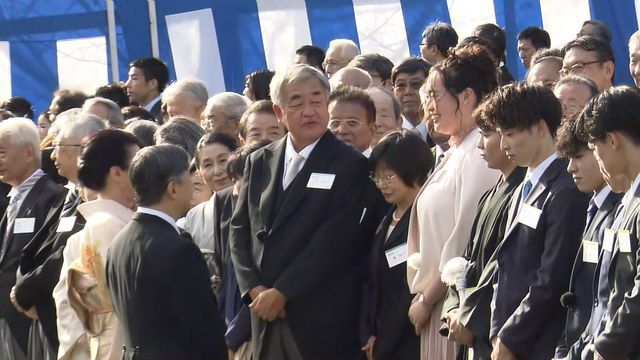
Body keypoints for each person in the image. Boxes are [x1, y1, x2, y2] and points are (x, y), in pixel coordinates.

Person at [230, 64, 373, 358]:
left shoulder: (349, 163)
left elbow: (335, 240)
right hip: (265, 314)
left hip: (319, 315)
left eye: (317, 101)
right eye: (297, 102)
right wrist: (254, 289)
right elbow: (239, 229)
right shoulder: (259, 160)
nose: (309, 111)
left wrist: (283, 291)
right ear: (279, 112)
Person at [407, 44, 501, 360]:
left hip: (455, 307)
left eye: (435, 95)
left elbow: (466, 238)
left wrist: (428, 299)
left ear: (466, 97)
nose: (428, 106)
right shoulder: (456, 150)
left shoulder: (478, 152)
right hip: (439, 306)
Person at [487, 83, 589, 360]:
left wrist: (510, 337)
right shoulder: (525, 185)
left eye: (509, 134)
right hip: (508, 341)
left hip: (541, 342)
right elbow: (505, 265)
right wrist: (498, 332)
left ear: (541, 127)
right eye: (500, 134)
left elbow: (552, 276)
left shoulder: (567, 187)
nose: (503, 144)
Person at [106, 144, 227, 360]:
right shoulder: (179, 250)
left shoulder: (118, 243)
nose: (193, 184)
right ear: (173, 188)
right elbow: (203, 330)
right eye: (189, 178)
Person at [13, 113, 105, 359]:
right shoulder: (67, 196)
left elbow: (67, 256)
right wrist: (21, 283)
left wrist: (26, 292)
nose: (52, 155)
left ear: (83, 146)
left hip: (75, 322)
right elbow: (40, 248)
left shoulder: (100, 201)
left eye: (59, 147)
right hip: (46, 317)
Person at [58, 129, 140, 359]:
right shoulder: (108, 226)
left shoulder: (106, 223)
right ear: (116, 173)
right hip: (121, 341)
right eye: (137, 163)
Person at [574, 86, 640, 359]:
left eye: (593, 150)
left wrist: (605, 347)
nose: (597, 161)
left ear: (612, 141)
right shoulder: (626, 201)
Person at [553, 115, 623, 359]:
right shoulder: (593, 206)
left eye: (579, 156)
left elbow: (610, 298)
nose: (571, 167)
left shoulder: (620, 211)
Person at [361, 130, 433, 360]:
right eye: (377, 177)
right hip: (377, 336)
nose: (382, 184)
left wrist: (384, 342)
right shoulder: (387, 215)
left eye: (389, 176)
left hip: (408, 340)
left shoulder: (423, 216)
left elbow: (407, 290)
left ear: (413, 171)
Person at [0, 118, 65, 359]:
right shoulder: (14, 198)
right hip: (9, 320)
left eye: (2, 153)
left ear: (28, 152)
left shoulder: (51, 197)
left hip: (33, 319)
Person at [214, 140, 271, 360]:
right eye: (235, 179)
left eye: (244, 179)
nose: (236, 189)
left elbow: (260, 292)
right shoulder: (235, 220)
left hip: (254, 340)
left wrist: (232, 339)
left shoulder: (269, 229)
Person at [184, 132, 238, 251]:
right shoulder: (194, 217)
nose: (217, 171)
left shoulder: (256, 204)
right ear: (199, 171)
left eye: (223, 160)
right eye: (208, 165)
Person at [328, 86, 376, 157]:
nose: (342, 131)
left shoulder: (380, 167)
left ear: (372, 130)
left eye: (352, 123)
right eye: (335, 123)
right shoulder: (313, 166)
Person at [392, 57, 431, 143]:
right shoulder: (386, 135)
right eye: (401, 85)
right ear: (392, 90)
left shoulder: (444, 134)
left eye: (416, 84)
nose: (408, 92)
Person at [126, 57, 169, 122]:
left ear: (152, 84)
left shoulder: (166, 115)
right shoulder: (132, 114)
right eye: (128, 78)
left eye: (134, 78)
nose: (127, 84)